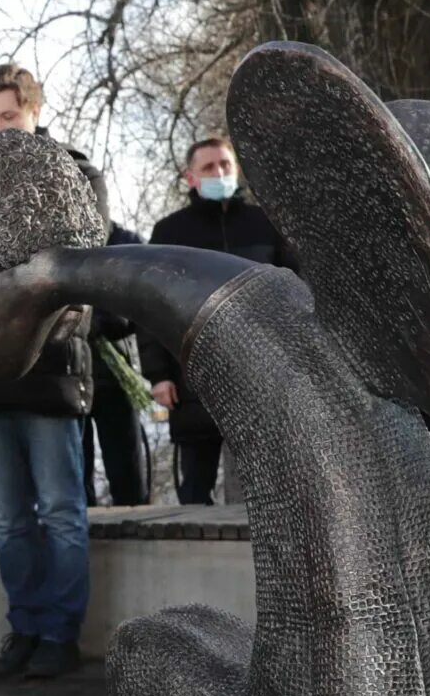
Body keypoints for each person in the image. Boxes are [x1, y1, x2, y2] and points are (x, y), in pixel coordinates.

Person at [0, 64, 99, 680]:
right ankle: (26, 627)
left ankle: (60, 634)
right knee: (10, 519)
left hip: (49, 368)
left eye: (8, 118)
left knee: (61, 512)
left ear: (35, 113)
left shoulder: (75, 174)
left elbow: (86, 265)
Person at [141, 137, 293, 504]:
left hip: (262, 370)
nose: (219, 173)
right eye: (208, 167)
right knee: (196, 486)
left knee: (271, 486)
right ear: (190, 177)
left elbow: (296, 293)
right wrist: (158, 375)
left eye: (225, 165)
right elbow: (148, 307)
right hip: (194, 374)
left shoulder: (266, 223)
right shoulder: (169, 233)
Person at [85, 217, 149, 507]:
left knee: (128, 475)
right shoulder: (45, 240)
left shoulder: (124, 242)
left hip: (115, 372)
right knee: (74, 481)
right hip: (65, 379)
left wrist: (103, 319)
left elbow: (145, 303)